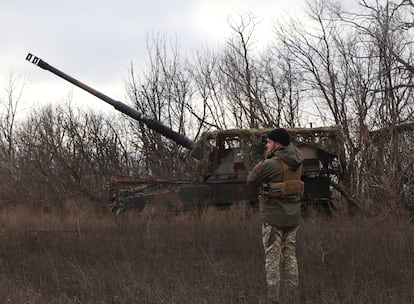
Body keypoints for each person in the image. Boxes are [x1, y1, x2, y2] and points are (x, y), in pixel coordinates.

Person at [247, 128, 304, 304]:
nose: (267, 145)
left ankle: (273, 298)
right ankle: (292, 296)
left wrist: (264, 159)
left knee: (272, 258)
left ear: (277, 144)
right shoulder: (297, 161)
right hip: (292, 217)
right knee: (290, 255)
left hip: (274, 219)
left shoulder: (271, 164)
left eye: (269, 142)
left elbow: (250, 180)